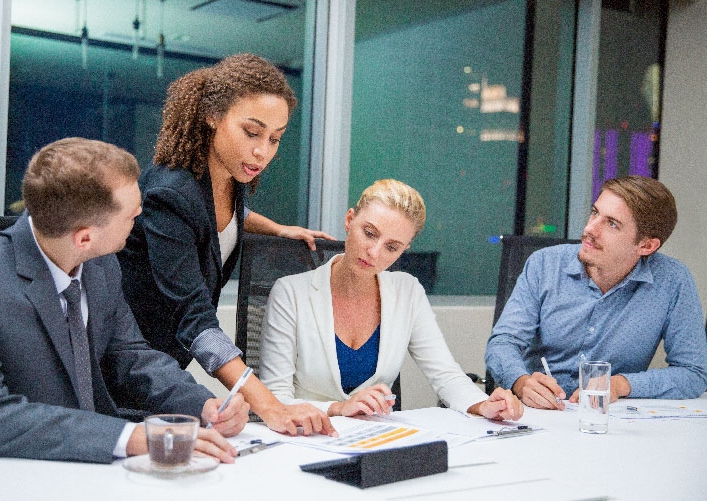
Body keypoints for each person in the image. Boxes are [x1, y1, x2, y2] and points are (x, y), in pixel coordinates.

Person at [0, 138, 249, 463]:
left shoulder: (100, 263)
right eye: (132, 216)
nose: (141, 217)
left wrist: (202, 404)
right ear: (84, 237)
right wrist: (130, 438)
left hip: (79, 463)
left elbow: (131, 356)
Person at [117, 53, 336, 436]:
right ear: (212, 116)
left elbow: (227, 216)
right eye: (252, 132)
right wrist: (270, 406)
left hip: (166, 362)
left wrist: (278, 228)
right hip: (127, 368)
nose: (262, 151)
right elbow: (194, 317)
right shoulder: (170, 193)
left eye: (274, 138)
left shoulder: (225, 174)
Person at [259, 179, 523, 420]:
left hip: (377, 441)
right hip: (304, 440)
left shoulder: (407, 291)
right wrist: (338, 408)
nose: (374, 252)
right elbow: (275, 399)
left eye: (391, 247)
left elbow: (446, 375)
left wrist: (483, 404)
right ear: (349, 220)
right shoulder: (290, 293)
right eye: (369, 233)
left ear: (403, 250)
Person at [486, 175, 707, 410]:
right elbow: (503, 342)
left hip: (609, 420)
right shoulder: (544, 264)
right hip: (538, 414)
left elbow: (693, 373)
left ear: (646, 246)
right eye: (594, 213)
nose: (590, 228)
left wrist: (620, 385)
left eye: (612, 224)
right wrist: (521, 382)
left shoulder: (672, 281)